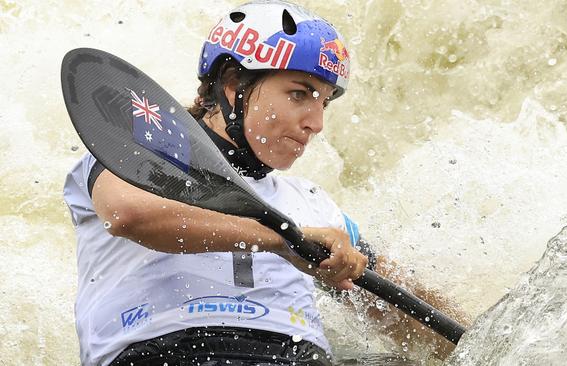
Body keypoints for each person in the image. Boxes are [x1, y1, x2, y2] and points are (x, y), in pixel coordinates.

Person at [63, 1, 468, 365]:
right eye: (299, 94)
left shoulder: (314, 206)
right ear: (234, 84)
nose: (316, 122)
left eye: (323, 102)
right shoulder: (127, 153)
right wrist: (281, 240)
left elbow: (413, 316)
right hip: (159, 352)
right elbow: (129, 215)